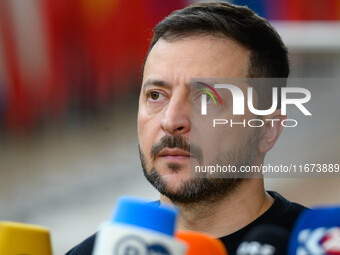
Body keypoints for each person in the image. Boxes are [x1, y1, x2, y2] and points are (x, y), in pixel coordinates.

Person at [66, 1, 306, 254]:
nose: (170, 121)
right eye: (156, 95)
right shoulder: (95, 251)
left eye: (206, 98)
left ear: (267, 129)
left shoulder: (315, 246)